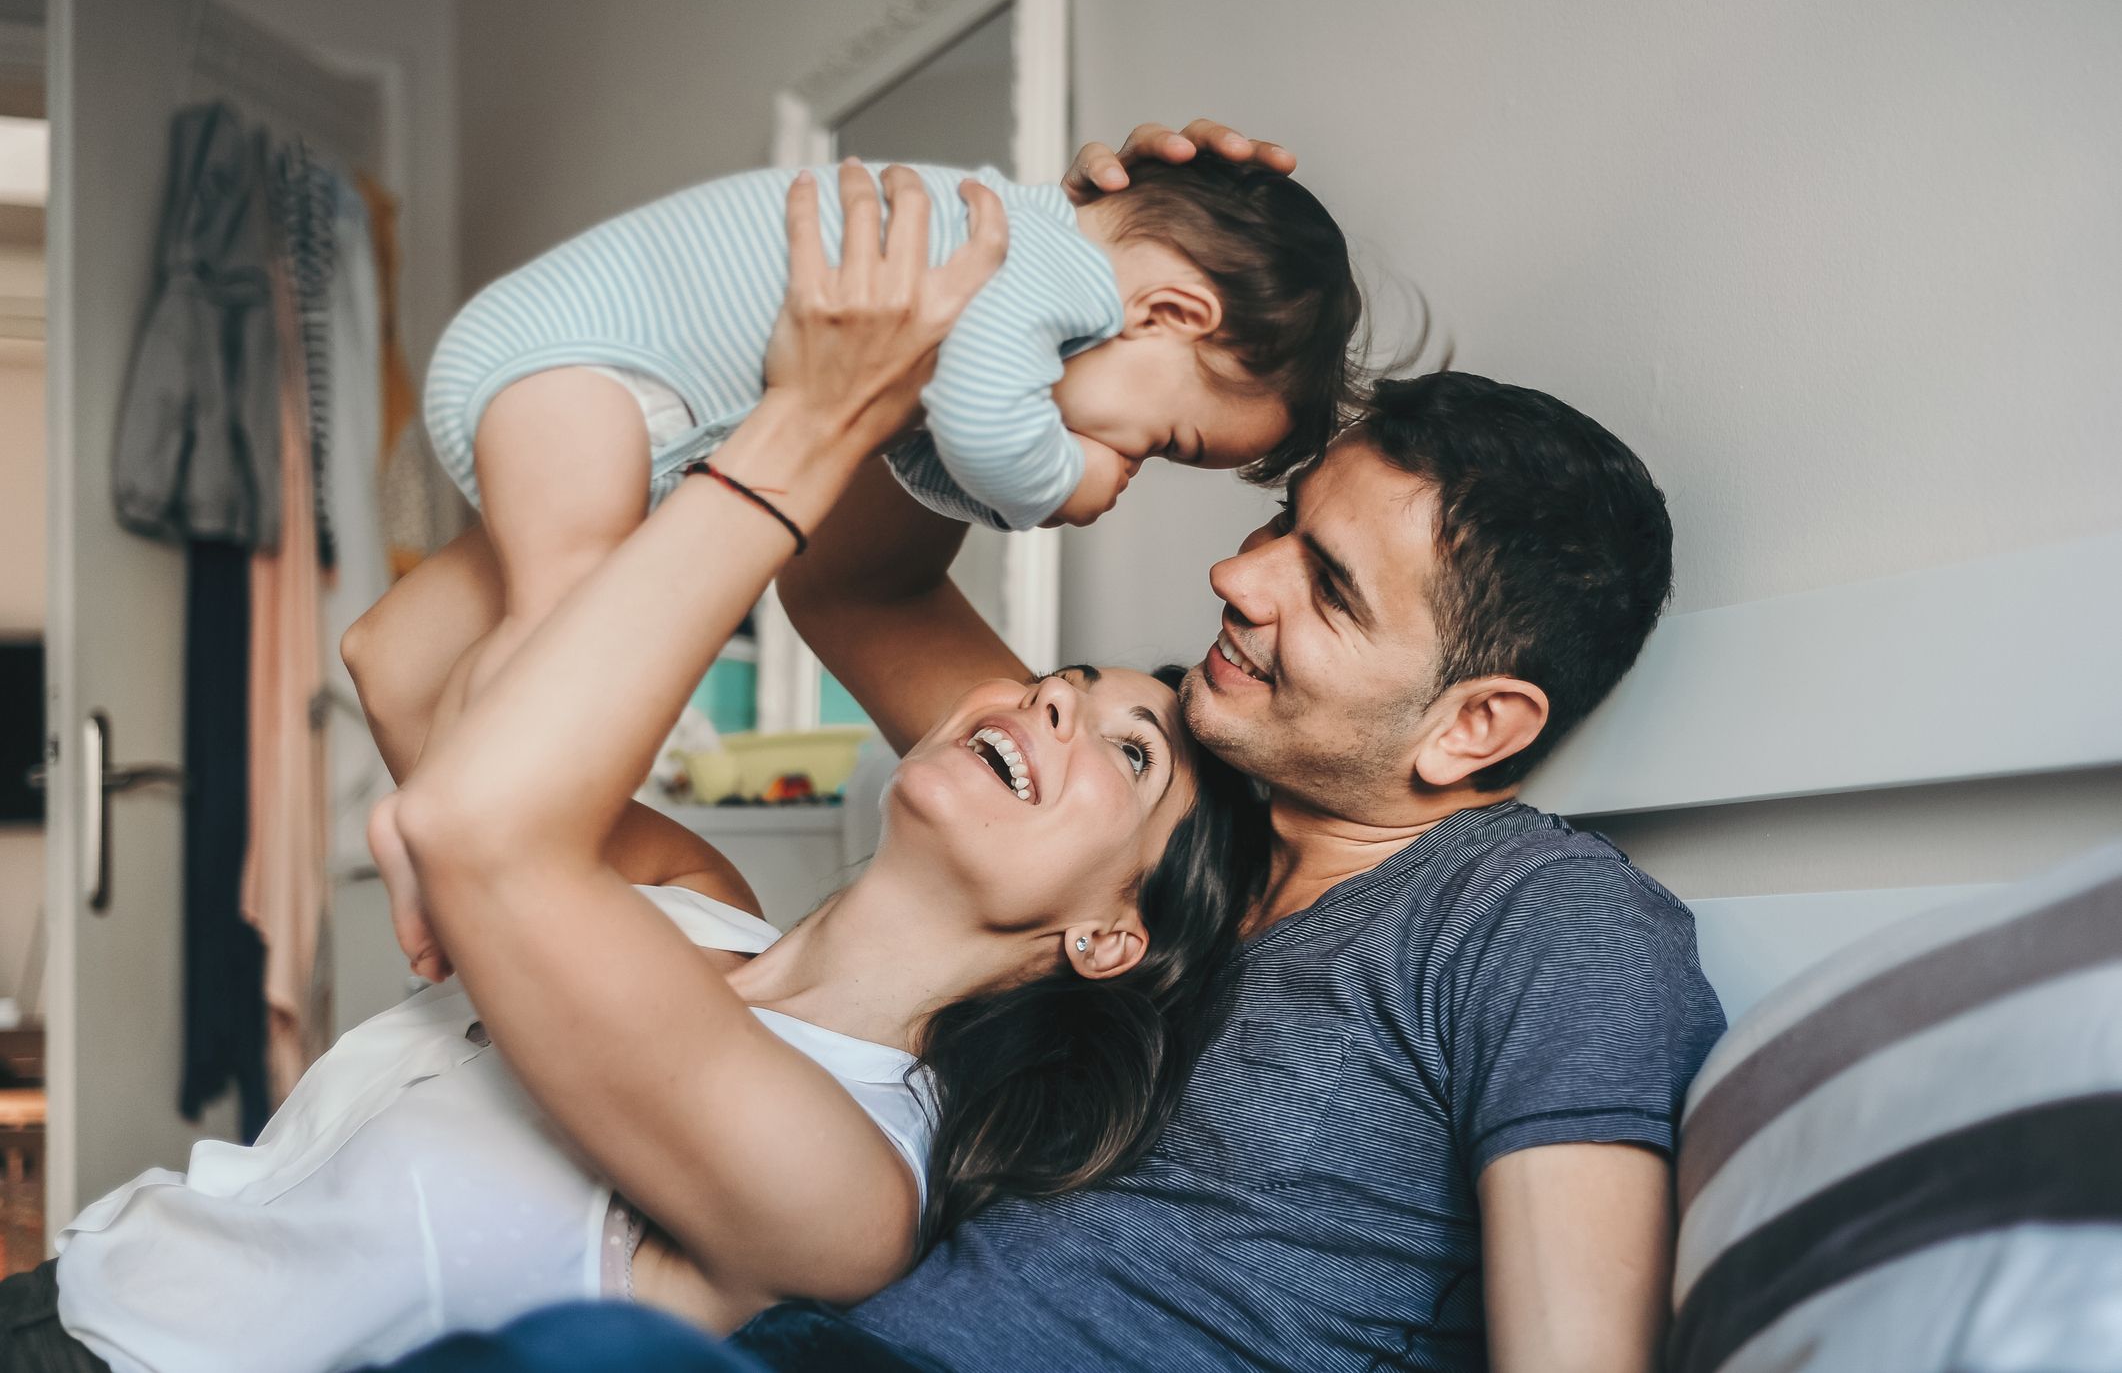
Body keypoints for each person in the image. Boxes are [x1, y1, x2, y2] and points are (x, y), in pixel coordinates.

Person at [374, 119, 1728, 1373]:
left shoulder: (1539, 922)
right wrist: (1070, 259)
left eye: (1324, 586)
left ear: (1473, 725)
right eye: (1275, 530)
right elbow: (857, 586)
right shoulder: (1131, 809)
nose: (1234, 580)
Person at [0, 163, 1267, 1373]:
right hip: (78, 1277)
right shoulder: (682, 887)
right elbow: (400, 658)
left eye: (1127, 748)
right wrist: (1024, 272)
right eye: (1062, 682)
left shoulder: (853, 1181)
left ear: (1110, 934)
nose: (1049, 699)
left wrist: (806, 419)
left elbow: (473, 824)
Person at [346, 149, 1359, 988]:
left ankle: (445, 795)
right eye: (1167, 441)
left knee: (556, 614)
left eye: (1333, 581)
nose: (1237, 574)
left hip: (584, 382)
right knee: (558, 611)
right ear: (1171, 312)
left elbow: (922, 458)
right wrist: (1062, 473)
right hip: (584, 374)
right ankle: (445, 794)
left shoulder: (844, 1143)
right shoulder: (1032, 263)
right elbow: (952, 454)